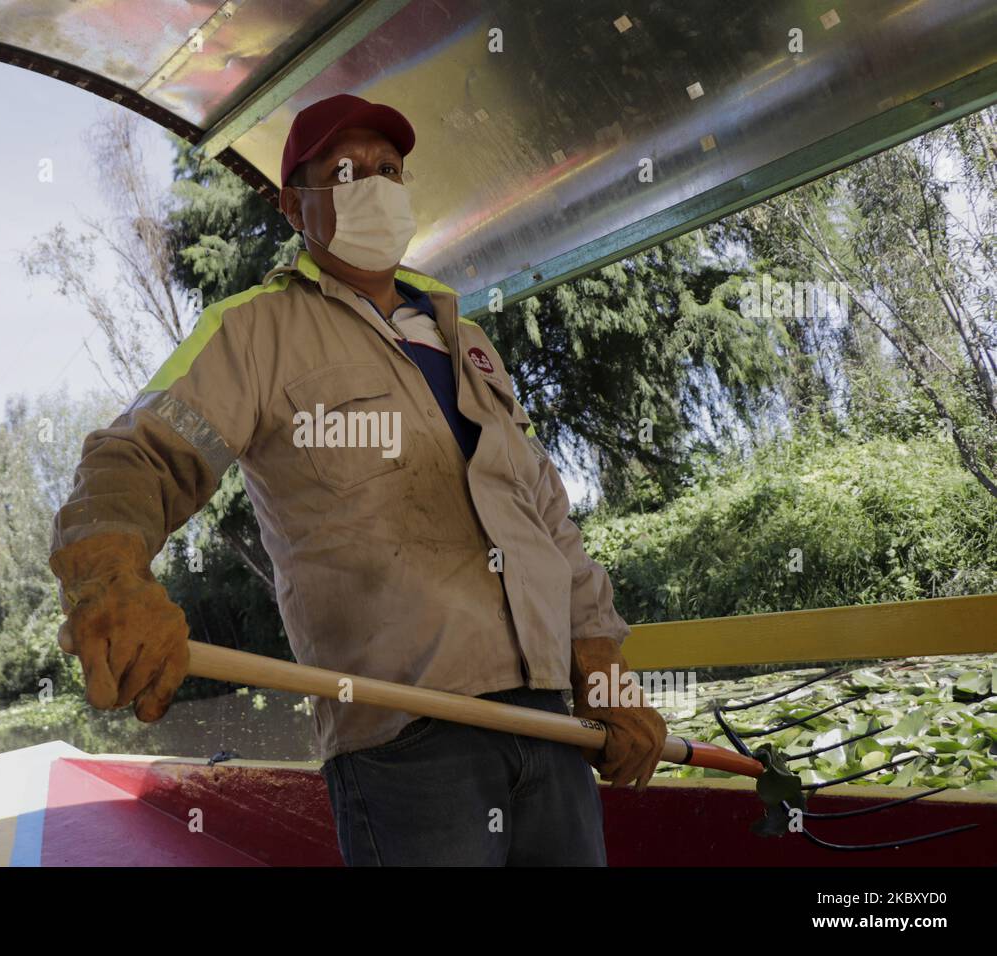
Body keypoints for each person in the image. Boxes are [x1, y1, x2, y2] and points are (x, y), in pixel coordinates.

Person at [49, 93, 667, 865]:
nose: (373, 184)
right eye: (344, 171)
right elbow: (136, 455)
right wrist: (109, 576)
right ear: (292, 203)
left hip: (551, 732)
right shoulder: (255, 331)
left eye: (387, 169)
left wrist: (603, 674)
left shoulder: (467, 340)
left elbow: (549, 525)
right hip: (405, 745)